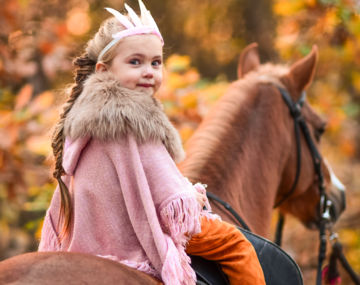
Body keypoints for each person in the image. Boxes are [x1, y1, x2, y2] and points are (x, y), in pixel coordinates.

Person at [38, 1, 265, 284]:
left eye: (155, 62)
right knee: (236, 244)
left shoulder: (83, 117)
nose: (149, 71)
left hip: (98, 233)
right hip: (136, 231)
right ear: (104, 69)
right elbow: (170, 202)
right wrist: (191, 197)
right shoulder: (134, 118)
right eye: (135, 62)